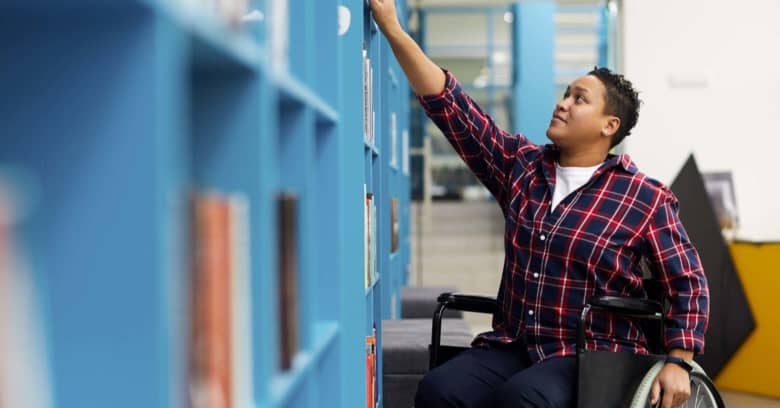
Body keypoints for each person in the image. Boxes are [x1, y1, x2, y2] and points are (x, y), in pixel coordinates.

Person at [369, 1, 710, 407]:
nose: (563, 103)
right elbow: (452, 107)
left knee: (522, 400)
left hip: (591, 354)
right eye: (565, 93)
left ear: (609, 126)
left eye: (579, 98)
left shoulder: (644, 198)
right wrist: (392, 28)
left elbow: (689, 281)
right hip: (516, 343)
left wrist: (679, 361)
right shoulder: (522, 167)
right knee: (439, 391)